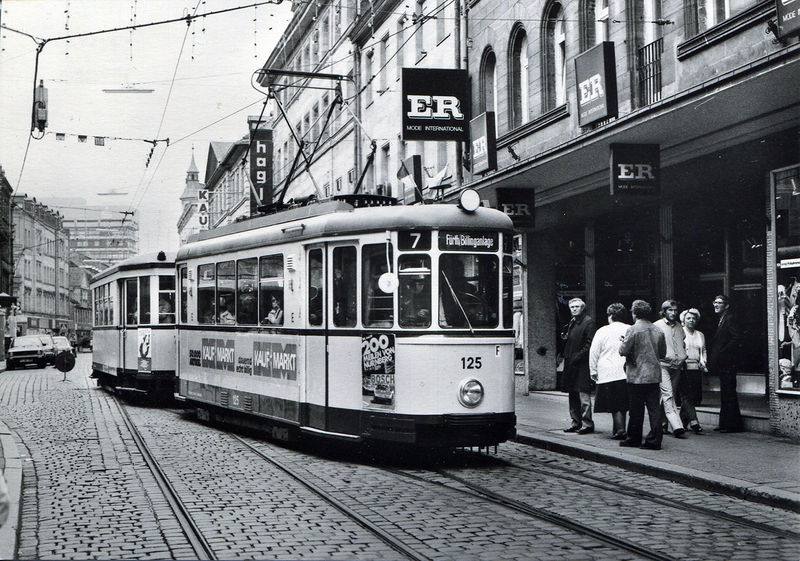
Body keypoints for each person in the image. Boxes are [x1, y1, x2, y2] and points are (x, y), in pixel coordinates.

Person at [619, 299, 667, 450]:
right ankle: (655, 440)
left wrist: (623, 342)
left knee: (636, 410)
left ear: (634, 313)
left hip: (636, 375)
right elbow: (663, 353)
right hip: (653, 375)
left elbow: (623, 351)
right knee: (654, 409)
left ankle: (633, 438)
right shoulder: (658, 330)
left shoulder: (633, 330)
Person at [589, 302, 630, 440]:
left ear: (610, 315)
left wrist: (593, 370)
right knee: (622, 402)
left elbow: (594, 352)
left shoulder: (602, 331)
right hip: (625, 371)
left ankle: (620, 430)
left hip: (607, 371)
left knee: (613, 403)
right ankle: (619, 428)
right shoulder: (629, 329)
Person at [561, 298, 597, 434]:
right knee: (572, 393)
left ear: (583, 308)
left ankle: (587, 423)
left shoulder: (588, 322)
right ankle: (575, 422)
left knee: (583, 394)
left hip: (582, 364)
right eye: (572, 307)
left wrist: (578, 356)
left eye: (577, 307)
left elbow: (589, 343)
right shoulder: (572, 322)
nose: (574, 309)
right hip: (571, 363)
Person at [709, 294, 743, 432]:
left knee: (728, 392)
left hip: (728, 362)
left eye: (719, 303)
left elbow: (736, 338)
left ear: (726, 306)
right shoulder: (722, 319)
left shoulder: (730, 319)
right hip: (723, 363)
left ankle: (732, 425)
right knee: (725, 392)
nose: (716, 305)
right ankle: (725, 423)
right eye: (715, 302)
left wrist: (723, 352)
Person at [654, 300, 688, 438]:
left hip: (677, 366)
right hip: (663, 365)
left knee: (668, 395)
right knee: (668, 394)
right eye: (670, 310)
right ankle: (677, 426)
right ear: (664, 311)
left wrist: (682, 357)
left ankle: (662, 424)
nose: (673, 313)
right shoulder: (657, 326)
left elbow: (682, 343)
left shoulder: (679, 326)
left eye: (675, 310)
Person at [680, 308, 706, 433]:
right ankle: (694, 421)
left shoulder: (700, 335)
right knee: (686, 395)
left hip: (696, 368)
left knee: (692, 395)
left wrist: (703, 361)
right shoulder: (680, 332)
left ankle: (682, 422)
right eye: (688, 318)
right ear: (684, 320)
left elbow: (703, 350)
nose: (691, 320)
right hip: (683, 367)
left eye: (694, 318)